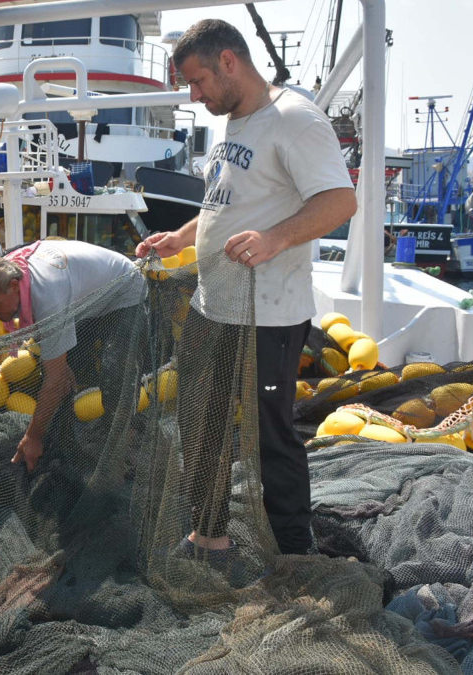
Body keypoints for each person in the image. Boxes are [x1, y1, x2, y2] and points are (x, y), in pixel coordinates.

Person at [136, 19, 356, 557]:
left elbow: (339, 201)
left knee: (268, 436)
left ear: (229, 62)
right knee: (200, 421)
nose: (194, 95)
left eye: (199, 82)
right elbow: (224, 202)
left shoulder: (295, 119)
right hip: (215, 306)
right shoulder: (235, 120)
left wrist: (276, 238)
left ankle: (292, 553)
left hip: (269, 314)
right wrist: (181, 237)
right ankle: (209, 535)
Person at [0, 239, 147, 472]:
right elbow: (56, 369)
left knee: (115, 369)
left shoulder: (47, 293)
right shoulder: (5, 269)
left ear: (14, 285)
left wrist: (33, 438)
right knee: (65, 371)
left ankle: (121, 447)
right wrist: (59, 368)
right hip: (83, 297)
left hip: (124, 288)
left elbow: (55, 380)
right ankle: (68, 439)